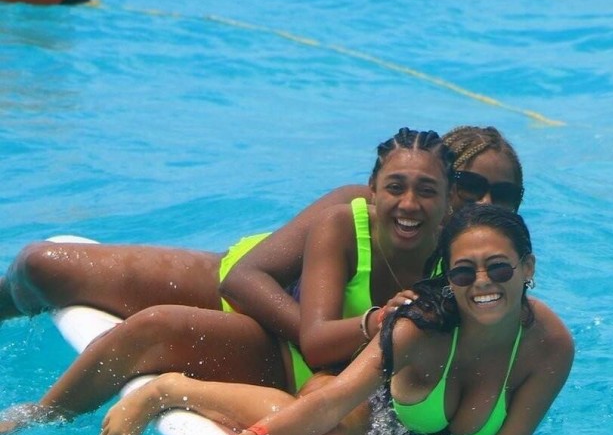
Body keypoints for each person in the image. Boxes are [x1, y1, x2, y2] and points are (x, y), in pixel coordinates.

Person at [0, 127, 455, 433]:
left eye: (427, 191)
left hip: (318, 372)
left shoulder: (463, 260)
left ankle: (53, 415)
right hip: (275, 325)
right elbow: (272, 306)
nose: (409, 203)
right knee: (51, 269)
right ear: (373, 187)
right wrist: (363, 328)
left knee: (154, 329)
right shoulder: (346, 220)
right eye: (395, 186)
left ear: (450, 199)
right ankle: (38, 414)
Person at [98, 204, 574, 435]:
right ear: (448, 277)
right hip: (363, 420)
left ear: (528, 267)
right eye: (464, 272)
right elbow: (330, 404)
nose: (483, 283)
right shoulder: (421, 328)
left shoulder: (550, 346)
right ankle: (172, 389)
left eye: (499, 268)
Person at [0, 125, 524, 343]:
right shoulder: (361, 211)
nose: (485, 204)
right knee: (42, 266)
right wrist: (322, 341)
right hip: (242, 292)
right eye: (472, 186)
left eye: (503, 195)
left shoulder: (485, 273)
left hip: (305, 347)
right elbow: (245, 280)